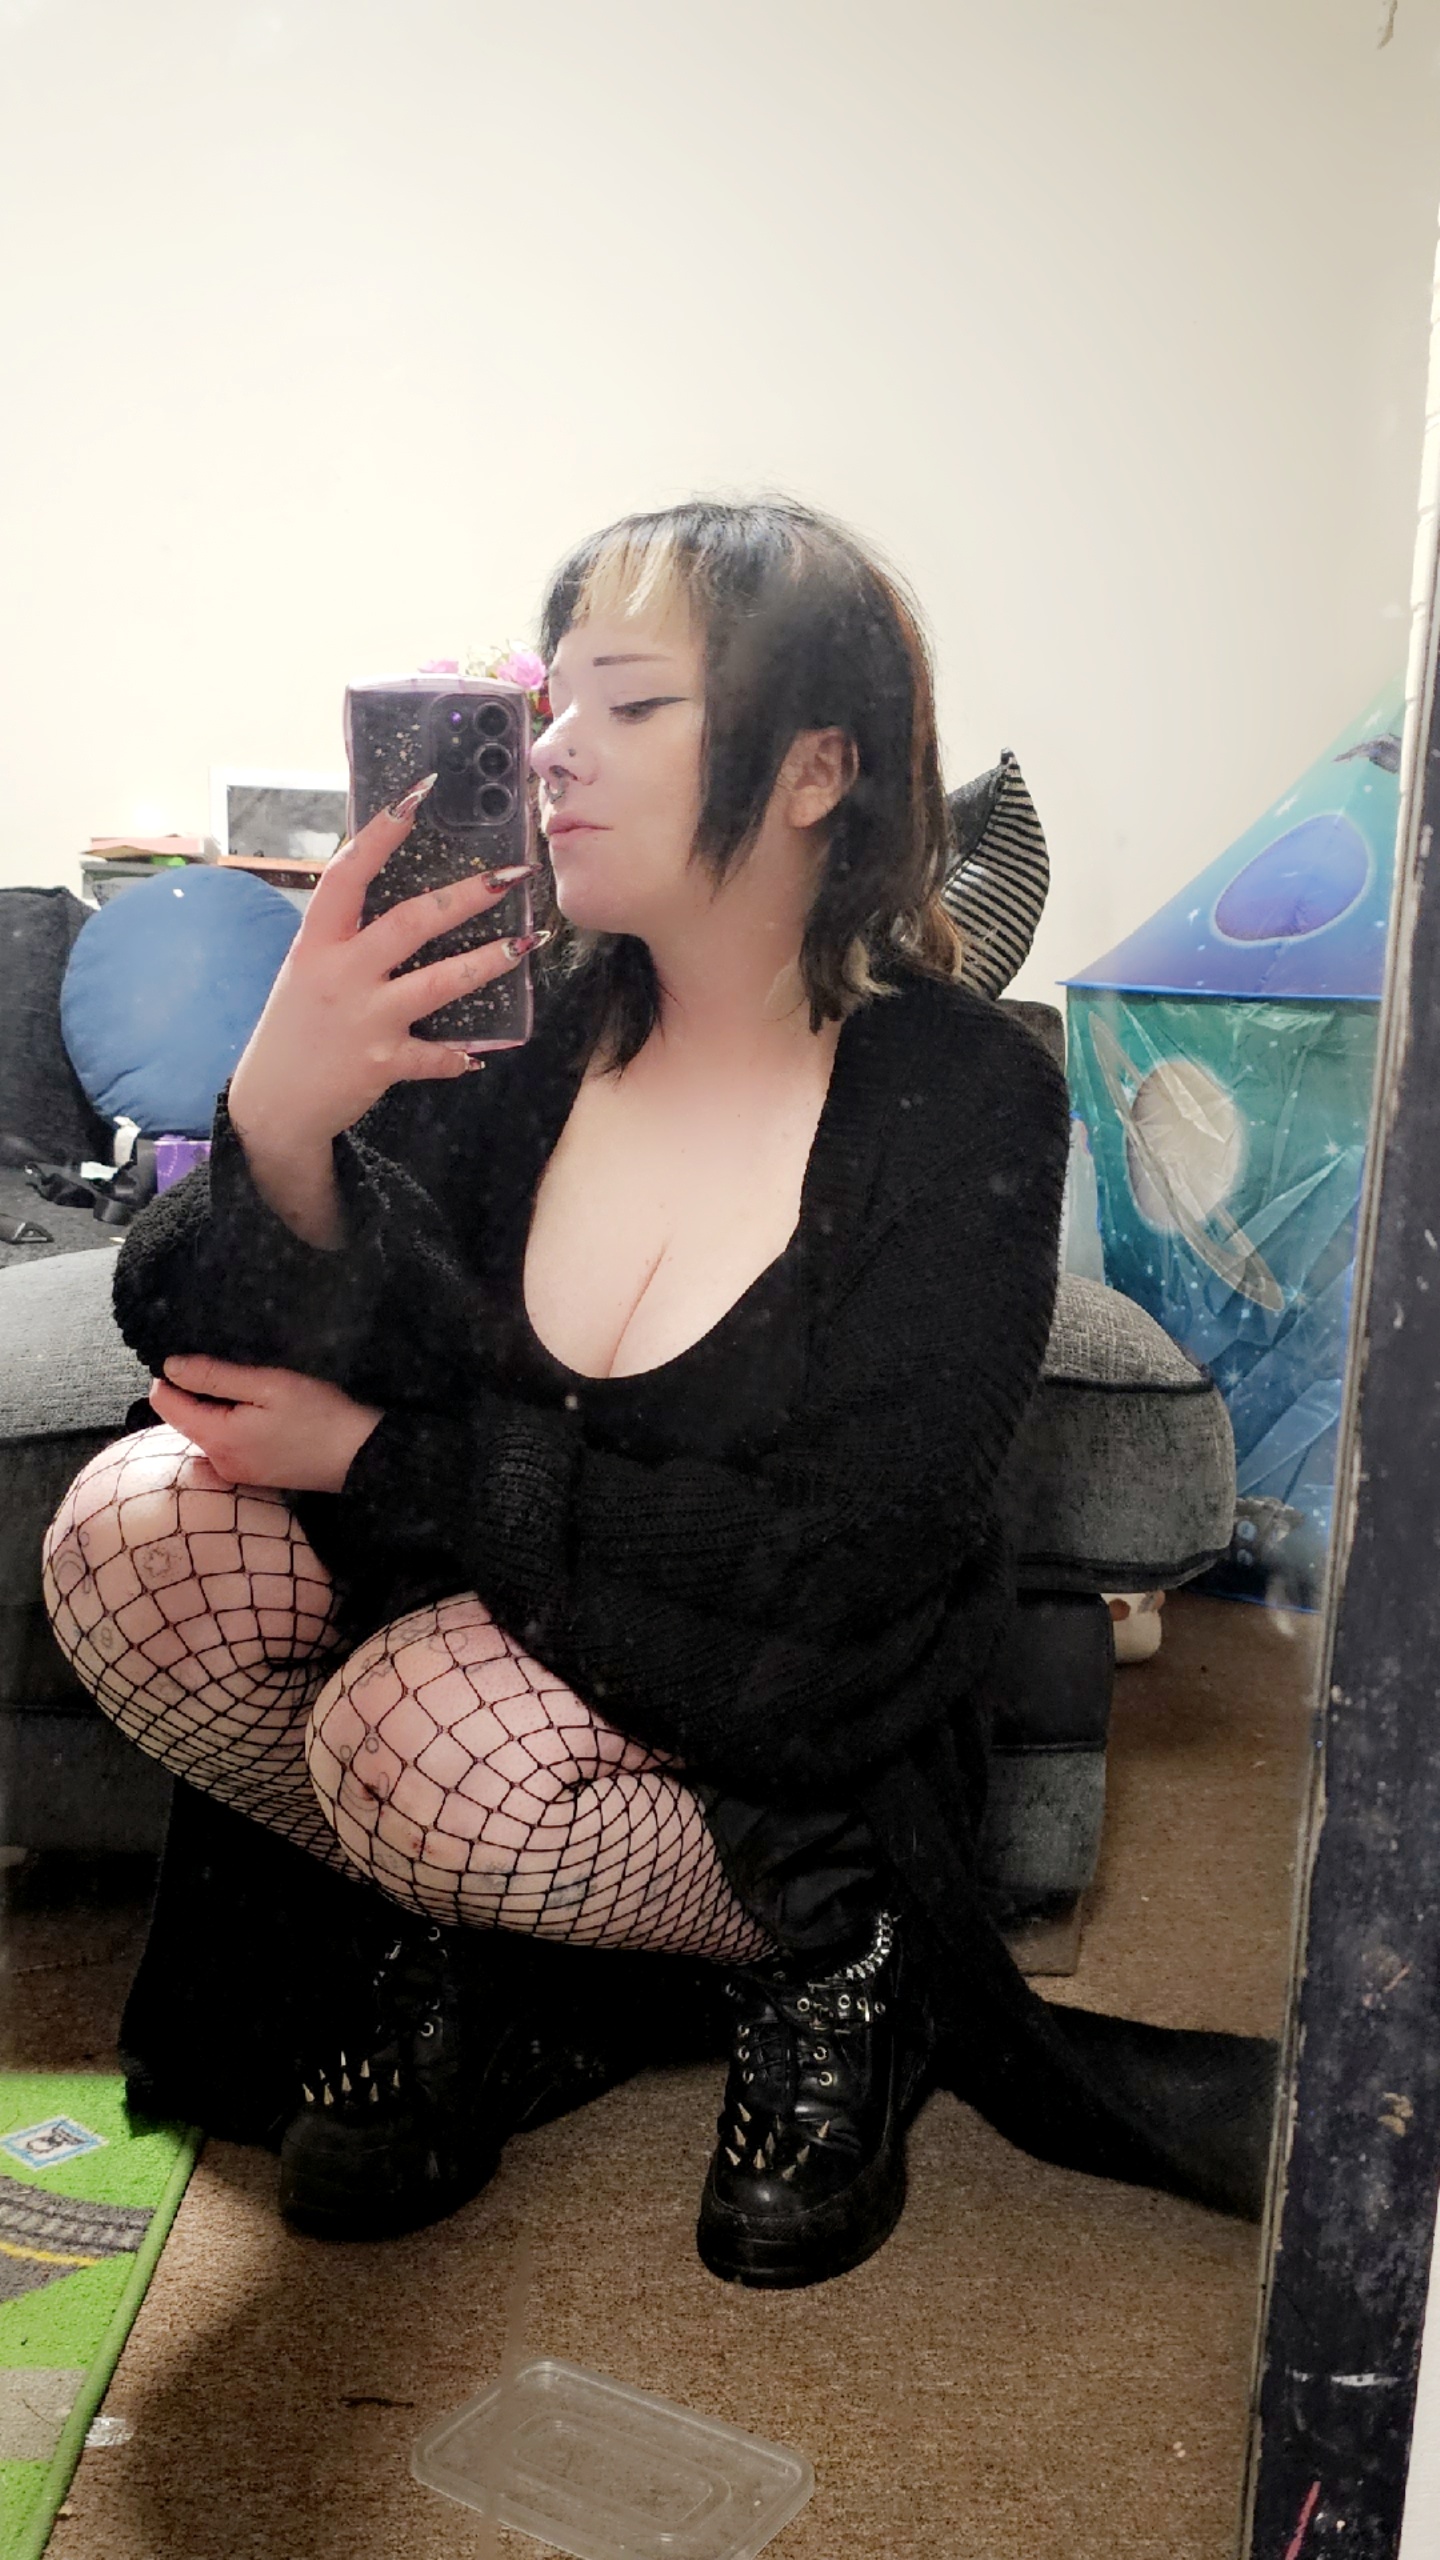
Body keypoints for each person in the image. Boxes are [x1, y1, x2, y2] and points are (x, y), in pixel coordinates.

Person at [42, 498, 1275, 2291]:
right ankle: (495, 1936)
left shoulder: (960, 1096)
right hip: (506, 1622)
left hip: (787, 1700)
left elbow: (850, 1554)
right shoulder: (519, 1023)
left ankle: (834, 1952)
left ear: (816, 768)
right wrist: (280, 1121)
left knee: (415, 1734)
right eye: (551, 706)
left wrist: (390, 1461)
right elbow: (198, 1342)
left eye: (629, 704)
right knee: (133, 1540)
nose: (554, 750)